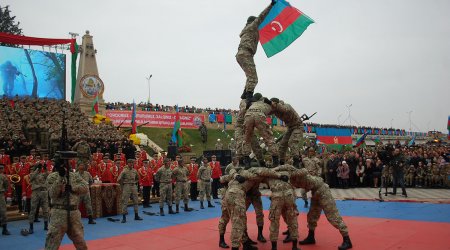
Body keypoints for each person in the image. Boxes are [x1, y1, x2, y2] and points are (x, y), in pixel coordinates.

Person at [274, 165, 353, 250]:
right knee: (311, 216)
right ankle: (311, 237)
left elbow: (303, 170)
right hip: (315, 192)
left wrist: (276, 169)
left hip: (323, 191)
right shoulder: (289, 181)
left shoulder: (297, 173)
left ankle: (347, 240)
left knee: (333, 216)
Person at [236, 2, 275, 106]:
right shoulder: (252, 27)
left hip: (242, 54)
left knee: (250, 76)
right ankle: (249, 98)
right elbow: (261, 17)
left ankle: (245, 94)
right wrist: (271, 6)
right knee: (254, 78)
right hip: (246, 53)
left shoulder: (247, 29)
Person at [45, 159, 88, 250]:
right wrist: (60, 178)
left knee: (80, 241)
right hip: (59, 213)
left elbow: (85, 188)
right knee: (52, 243)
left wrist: (73, 188)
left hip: (74, 213)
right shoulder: (52, 177)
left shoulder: (75, 176)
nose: (66, 166)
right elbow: (52, 194)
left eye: (67, 164)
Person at [243, 95, 278, 167]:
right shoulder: (270, 104)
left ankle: (247, 162)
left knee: (247, 139)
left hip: (248, 114)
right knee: (269, 138)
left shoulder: (255, 102)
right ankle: (275, 161)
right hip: (259, 114)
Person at [269, 98, 304, 167]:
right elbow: (268, 112)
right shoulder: (275, 110)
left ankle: (296, 162)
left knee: (292, 142)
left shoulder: (287, 106)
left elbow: (284, 109)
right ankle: (281, 162)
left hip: (298, 126)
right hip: (290, 128)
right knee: (282, 144)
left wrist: (275, 105)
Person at [28, 162, 50, 233]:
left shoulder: (43, 174)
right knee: (33, 209)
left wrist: (45, 168)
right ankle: (31, 226)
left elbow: (48, 175)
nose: (40, 168)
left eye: (40, 167)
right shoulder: (32, 174)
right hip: (36, 192)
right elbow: (31, 179)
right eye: (39, 167)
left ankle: (46, 225)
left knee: (45, 209)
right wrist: (37, 169)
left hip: (44, 192)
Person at [0, 164, 11, 235]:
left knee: (3, 211)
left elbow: (7, 185)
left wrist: (4, 191)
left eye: (1, 168)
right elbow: (7, 186)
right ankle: (4, 228)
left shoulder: (3, 176)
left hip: (1, 194)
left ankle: (4, 228)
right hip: (1, 194)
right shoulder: (3, 176)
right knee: (3, 211)